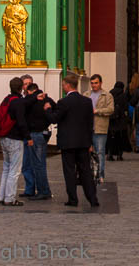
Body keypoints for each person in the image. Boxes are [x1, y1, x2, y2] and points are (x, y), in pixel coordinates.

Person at [44, 72, 99, 208]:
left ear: (68, 85)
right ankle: (92, 198)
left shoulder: (64, 102)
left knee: (69, 171)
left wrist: (47, 109)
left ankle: (73, 199)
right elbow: (90, 124)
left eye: (63, 85)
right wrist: (90, 142)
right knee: (85, 171)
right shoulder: (87, 101)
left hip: (68, 142)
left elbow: (54, 118)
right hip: (83, 142)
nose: (63, 87)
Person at [0, 76, 32, 207]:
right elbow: (21, 122)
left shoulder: (7, 99)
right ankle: (10, 198)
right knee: (15, 170)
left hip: (4, 137)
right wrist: (28, 137)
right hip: (15, 139)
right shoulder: (18, 102)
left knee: (6, 168)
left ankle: (2, 196)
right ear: (21, 87)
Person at [23, 83, 54, 200]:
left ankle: (43, 191)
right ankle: (44, 190)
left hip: (35, 133)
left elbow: (23, 106)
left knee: (38, 164)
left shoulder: (30, 101)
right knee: (40, 163)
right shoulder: (47, 99)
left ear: (29, 91)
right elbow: (55, 110)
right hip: (43, 132)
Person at [83, 74, 114, 184]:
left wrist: (97, 111)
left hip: (100, 128)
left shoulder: (107, 95)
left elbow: (111, 109)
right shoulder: (86, 94)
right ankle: (88, 174)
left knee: (100, 152)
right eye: (92, 83)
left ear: (100, 83)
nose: (94, 85)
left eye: (96, 83)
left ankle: (100, 175)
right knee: (86, 152)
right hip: (87, 128)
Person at [18, 73, 35, 198]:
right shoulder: (21, 98)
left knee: (30, 163)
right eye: (25, 84)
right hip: (23, 134)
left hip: (31, 134)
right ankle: (30, 188)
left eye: (29, 83)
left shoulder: (36, 98)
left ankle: (31, 188)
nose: (27, 86)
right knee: (26, 164)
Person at [107, 81, 130, 161]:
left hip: (112, 119)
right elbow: (126, 107)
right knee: (120, 138)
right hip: (121, 120)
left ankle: (110, 154)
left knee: (111, 138)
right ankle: (119, 155)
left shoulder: (110, 94)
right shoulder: (123, 95)